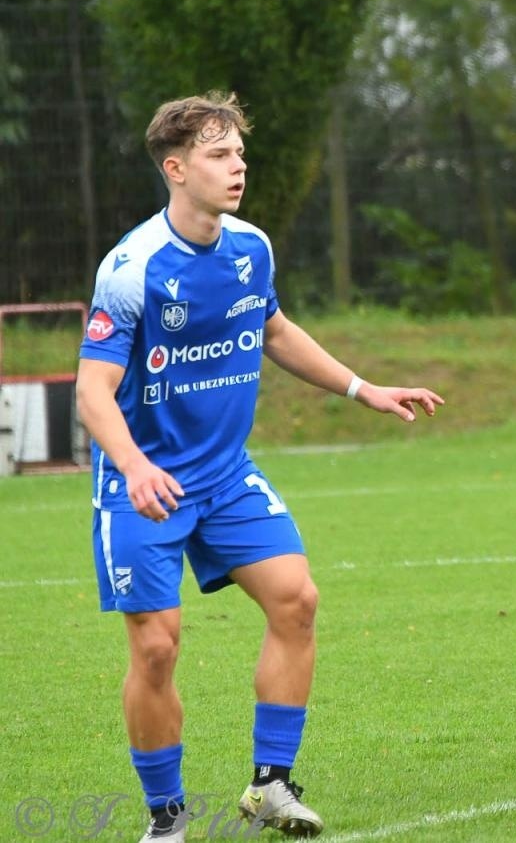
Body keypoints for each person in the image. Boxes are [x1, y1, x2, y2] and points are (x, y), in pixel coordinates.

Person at [77, 92, 444, 843]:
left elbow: (273, 329)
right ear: (176, 169)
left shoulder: (251, 247)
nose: (237, 165)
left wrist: (362, 388)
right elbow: (92, 390)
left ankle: (270, 787)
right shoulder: (132, 268)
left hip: (223, 474)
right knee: (155, 647)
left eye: (239, 152)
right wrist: (136, 465)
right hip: (142, 483)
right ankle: (166, 820)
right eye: (218, 154)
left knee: (296, 599)